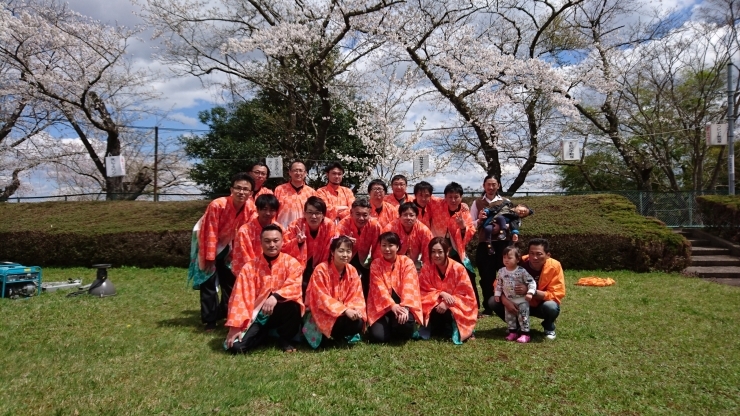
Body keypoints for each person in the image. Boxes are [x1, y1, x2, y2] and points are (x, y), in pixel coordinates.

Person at [188, 172, 255, 332]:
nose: (242, 192)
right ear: (231, 189)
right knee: (208, 282)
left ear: (251, 193)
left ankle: (224, 312)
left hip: (229, 244)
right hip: (206, 242)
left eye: (246, 189)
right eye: (238, 188)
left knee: (231, 280)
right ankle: (209, 320)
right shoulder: (217, 205)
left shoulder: (250, 207)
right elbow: (209, 231)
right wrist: (209, 256)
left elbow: (246, 232)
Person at [225, 225, 304, 353]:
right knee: (236, 348)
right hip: (257, 314)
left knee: (294, 305)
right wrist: (235, 326)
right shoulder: (250, 267)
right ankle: (262, 333)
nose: (271, 245)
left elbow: (294, 286)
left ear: (282, 241)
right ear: (260, 242)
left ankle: (285, 338)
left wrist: (275, 297)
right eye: (267, 241)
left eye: (275, 240)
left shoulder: (291, 263)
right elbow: (239, 297)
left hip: (281, 309)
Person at [487, 238, 565, 340]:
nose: (534, 257)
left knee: (551, 306)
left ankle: (548, 326)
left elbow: (556, 294)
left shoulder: (554, 266)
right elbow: (497, 284)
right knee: (493, 301)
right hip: (516, 302)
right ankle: (515, 326)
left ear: (548, 255)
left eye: (539, 254)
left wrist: (530, 291)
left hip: (539, 304)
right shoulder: (519, 261)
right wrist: (505, 301)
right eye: (531, 253)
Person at [303, 236, 366, 348]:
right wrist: (345, 310)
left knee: (358, 322)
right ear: (332, 252)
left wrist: (354, 310)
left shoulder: (352, 270)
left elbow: (357, 295)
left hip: (343, 313)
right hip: (322, 312)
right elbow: (321, 297)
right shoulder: (321, 269)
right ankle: (326, 336)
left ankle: (338, 336)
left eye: (348, 251)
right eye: (341, 251)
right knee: (324, 340)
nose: (345, 255)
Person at [366, 232, 423, 343]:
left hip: (402, 305)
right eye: (384, 245)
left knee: (404, 325)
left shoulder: (406, 262)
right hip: (383, 307)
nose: (387, 249)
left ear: (397, 247)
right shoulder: (375, 264)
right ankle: (389, 325)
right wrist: (392, 306)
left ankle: (398, 325)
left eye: (391, 245)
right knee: (378, 337)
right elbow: (378, 288)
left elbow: (409, 285)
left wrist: (405, 307)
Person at [418, 238, 477, 343]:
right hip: (434, 304)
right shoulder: (427, 267)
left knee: (448, 312)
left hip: (454, 305)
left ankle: (454, 328)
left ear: (447, 251)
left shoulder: (458, 268)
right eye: (433, 252)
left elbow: (466, 293)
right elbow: (422, 289)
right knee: (431, 308)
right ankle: (438, 328)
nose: (436, 255)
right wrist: (441, 293)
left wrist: (446, 303)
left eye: (440, 252)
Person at [283, 196, 338, 297]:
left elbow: (331, 249)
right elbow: (284, 247)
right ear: (304, 213)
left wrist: (320, 269)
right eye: (310, 212)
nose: (313, 216)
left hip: (321, 264)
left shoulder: (329, 225)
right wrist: (297, 242)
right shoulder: (295, 225)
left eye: (317, 213)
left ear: (323, 215)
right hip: (299, 265)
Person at [471, 175, 509, 316]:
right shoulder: (477, 203)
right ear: (484, 186)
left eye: (494, 184)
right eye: (488, 184)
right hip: (484, 243)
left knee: (506, 275)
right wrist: (479, 220)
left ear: (498, 185)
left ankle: (506, 302)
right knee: (486, 276)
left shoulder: (506, 202)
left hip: (503, 244)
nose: (491, 187)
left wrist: (507, 225)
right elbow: (471, 224)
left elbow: (515, 218)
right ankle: (488, 306)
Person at [336, 198, 382, 298]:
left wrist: (376, 267)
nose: (361, 218)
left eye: (365, 215)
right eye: (358, 214)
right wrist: (343, 241)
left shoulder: (374, 225)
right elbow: (334, 244)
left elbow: (377, 249)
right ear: (351, 213)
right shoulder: (343, 224)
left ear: (370, 214)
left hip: (364, 260)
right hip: (345, 260)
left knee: (371, 281)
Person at [494, 246, 537, 343]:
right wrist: (497, 294)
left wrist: (530, 292)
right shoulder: (501, 271)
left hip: (522, 300)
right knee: (509, 317)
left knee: (523, 317)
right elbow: (499, 283)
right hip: (509, 300)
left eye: (509, 258)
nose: (506, 260)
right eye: (504, 257)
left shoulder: (522, 271)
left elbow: (532, 282)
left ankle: (525, 334)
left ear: (517, 259)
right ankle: (512, 332)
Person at [231, 194, 281, 275]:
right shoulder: (245, 231)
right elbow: (244, 255)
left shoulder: (279, 228)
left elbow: (285, 249)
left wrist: (298, 242)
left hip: (274, 271)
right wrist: (259, 271)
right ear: (257, 210)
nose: (268, 213)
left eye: (272, 210)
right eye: (264, 209)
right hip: (251, 271)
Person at [378, 202, 434, 269]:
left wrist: (426, 269)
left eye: (411, 215)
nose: (408, 218)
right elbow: (382, 249)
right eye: (405, 215)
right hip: (392, 263)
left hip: (414, 263)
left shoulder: (424, 230)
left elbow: (428, 253)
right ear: (399, 216)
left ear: (416, 217)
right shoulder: (390, 228)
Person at [274, 160, 317, 229]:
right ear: (290, 173)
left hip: (304, 231)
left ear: (305, 173)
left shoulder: (311, 192)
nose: (298, 173)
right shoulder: (279, 190)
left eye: (300, 170)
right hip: (283, 230)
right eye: (295, 170)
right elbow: (273, 211)